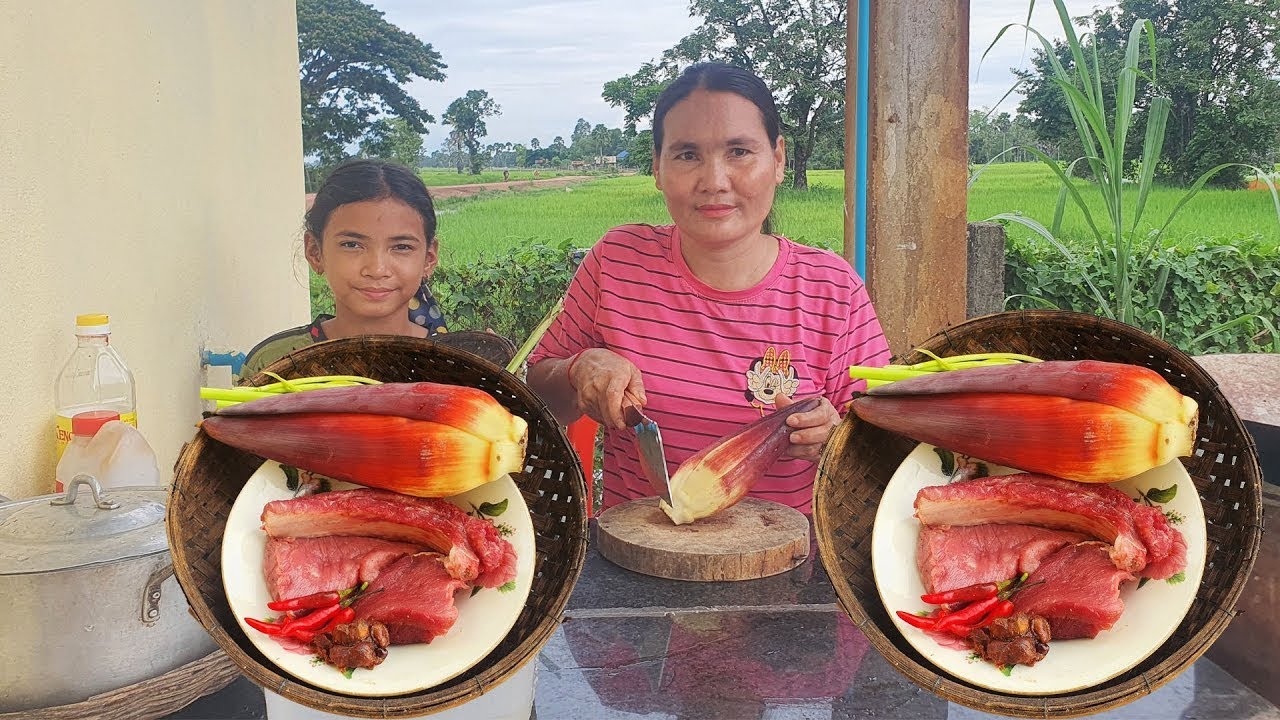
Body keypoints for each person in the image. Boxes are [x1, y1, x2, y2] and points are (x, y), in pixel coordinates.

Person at [527, 63, 890, 514]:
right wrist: (579, 367)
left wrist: (835, 437)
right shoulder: (617, 262)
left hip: (786, 569)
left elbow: (880, 450)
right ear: (657, 168)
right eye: (686, 155)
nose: (715, 181)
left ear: (777, 160)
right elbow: (538, 401)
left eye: (739, 151)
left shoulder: (832, 290)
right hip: (630, 562)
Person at [241, 159, 448, 377]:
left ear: (429, 258)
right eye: (352, 245)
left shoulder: (453, 364)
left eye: (402, 247)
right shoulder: (274, 364)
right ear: (314, 252)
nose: (377, 269)